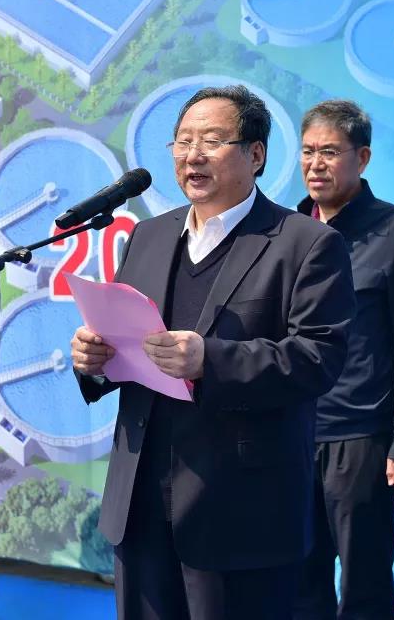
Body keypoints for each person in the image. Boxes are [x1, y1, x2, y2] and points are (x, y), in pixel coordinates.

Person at [70, 85, 356, 620]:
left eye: (211, 141)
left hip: (239, 511)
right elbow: (127, 347)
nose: (192, 155)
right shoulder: (148, 236)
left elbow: (319, 358)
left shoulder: (305, 243)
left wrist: (210, 360)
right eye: (182, 142)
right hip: (140, 500)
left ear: (256, 154)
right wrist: (95, 361)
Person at [292, 100, 394, 620]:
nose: (316, 165)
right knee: (295, 580)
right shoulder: (288, 230)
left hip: (362, 435)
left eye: (330, 152)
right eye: (308, 151)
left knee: (364, 583)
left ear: (363, 157)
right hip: (293, 431)